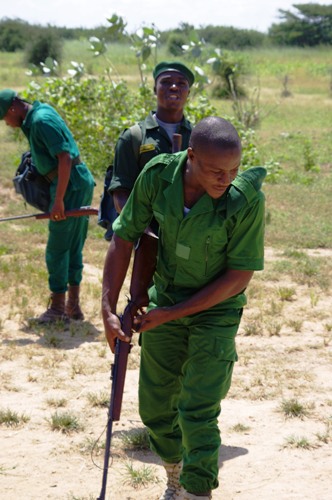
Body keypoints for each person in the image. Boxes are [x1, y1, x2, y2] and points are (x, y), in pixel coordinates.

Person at [102, 116, 266, 499]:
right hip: (167, 299)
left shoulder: (245, 200)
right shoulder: (159, 177)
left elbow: (239, 276)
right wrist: (109, 308)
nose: (224, 179)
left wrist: (171, 314)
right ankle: (174, 475)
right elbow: (126, 236)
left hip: (216, 310)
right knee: (157, 410)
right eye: (215, 170)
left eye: (233, 169)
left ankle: (196, 490)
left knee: (198, 406)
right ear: (190, 155)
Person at [0, 88, 95, 323]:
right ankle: (73, 307)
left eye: (4, 118)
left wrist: (59, 200)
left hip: (69, 186)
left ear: (13, 108)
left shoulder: (41, 121)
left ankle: (58, 309)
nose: (7, 123)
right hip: (76, 183)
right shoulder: (39, 115)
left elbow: (64, 157)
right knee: (72, 246)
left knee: (58, 248)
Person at [108, 61, 194, 309]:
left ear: (188, 92)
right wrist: (142, 230)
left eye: (181, 83)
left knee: (183, 300)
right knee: (142, 300)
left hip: (187, 234)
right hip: (148, 235)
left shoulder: (199, 137)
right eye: (166, 82)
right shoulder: (134, 136)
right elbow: (121, 192)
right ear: (154, 88)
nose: (174, 87)